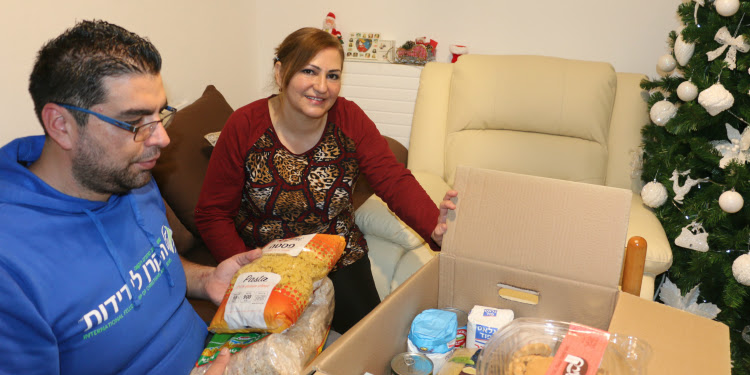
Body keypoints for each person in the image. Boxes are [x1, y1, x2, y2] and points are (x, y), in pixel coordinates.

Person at [0, 20, 253, 375]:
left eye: (160, 114)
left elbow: (147, 266)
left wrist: (204, 279)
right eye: (136, 122)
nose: (162, 139)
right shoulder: (10, 266)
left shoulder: (131, 175)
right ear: (61, 125)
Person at [194, 27, 457, 334]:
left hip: (338, 257)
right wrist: (249, 270)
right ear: (280, 73)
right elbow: (212, 213)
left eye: (333, 75)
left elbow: (393, 180)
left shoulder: (349, 118)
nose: (321, 86)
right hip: (268, 263)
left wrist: (435, 228)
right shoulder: (244, 125)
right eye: (309, 71)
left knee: (370, 343)